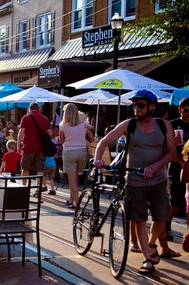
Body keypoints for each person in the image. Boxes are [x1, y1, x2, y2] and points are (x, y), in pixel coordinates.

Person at [94, 89, 175, 275]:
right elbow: (104, 141)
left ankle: (152, 244)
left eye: (140, 105)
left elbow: (171, 152)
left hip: (157, 180)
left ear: (152, 107)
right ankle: (147, 258)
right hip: (134, 180)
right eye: (134, 105)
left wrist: (155, 166)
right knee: (139, 219)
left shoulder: (164, 126)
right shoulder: (128, 125)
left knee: (162, 216)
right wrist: (98, 158)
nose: (136, 109)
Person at [59, 103, 94, 208]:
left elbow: (62, 141)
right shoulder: (84, 124)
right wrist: (82, 141)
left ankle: (76, 202)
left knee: (71, 179)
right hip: (82, 152)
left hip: (69, 151)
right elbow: (92, 138)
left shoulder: (63, 125)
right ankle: (71, 198)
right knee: (76, 177)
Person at [166, 98, 189, 244]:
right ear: (180, 110)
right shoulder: (172, 124)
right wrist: (180, 160)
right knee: (176, 201)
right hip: (176, 167)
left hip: (188, 166)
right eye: (186, 110)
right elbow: (165, 147)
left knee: (186, 204)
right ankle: (165, 224)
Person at [17, 102, 51, 182]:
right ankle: (38, 189)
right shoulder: (45, 119)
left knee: (25, 168)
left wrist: (18, 145)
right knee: (39, 169)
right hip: (41, 148)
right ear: (39, 109)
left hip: (28, 147)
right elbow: (49, 133)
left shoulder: (25, 118)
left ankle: (24, 187)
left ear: (29, 109)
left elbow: (21, 132)